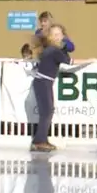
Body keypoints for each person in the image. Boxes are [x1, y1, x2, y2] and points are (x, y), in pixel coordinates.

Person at [31, 24, 68, 153]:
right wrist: (90, 60)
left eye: (60, 34)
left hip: (45, 82)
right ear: (50, 37)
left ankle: (41, 139)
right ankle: (39, 141)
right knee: (47, 111)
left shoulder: (52, 49)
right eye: (55, 35)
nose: (58, 37)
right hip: (43, 82)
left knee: (47, 111)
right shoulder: (53, 50)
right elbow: (70, 61)